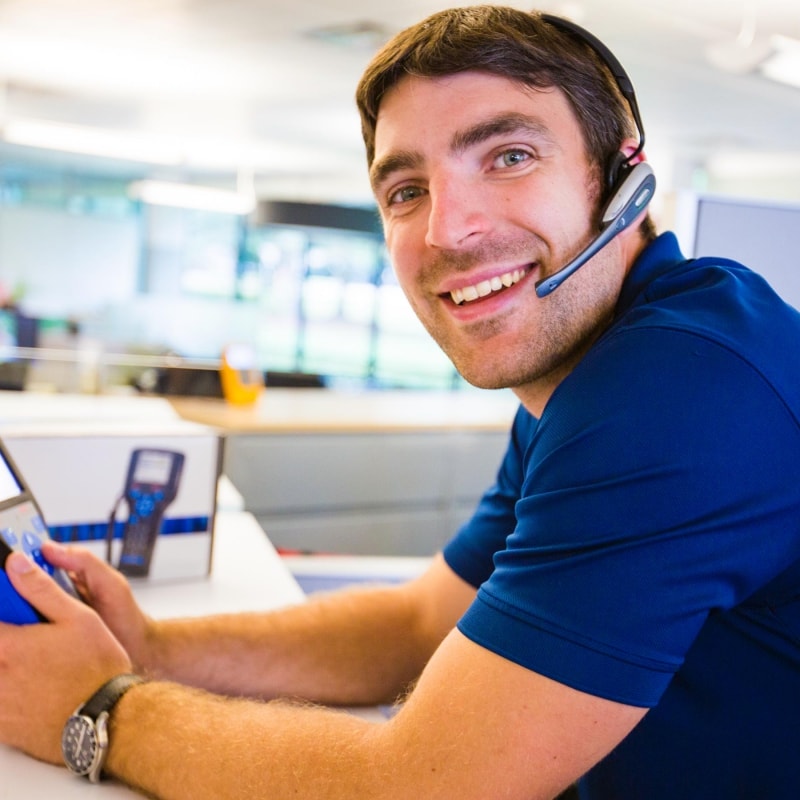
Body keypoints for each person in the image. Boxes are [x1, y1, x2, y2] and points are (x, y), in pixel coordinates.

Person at [1, 5, 799, 798]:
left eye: (510, 155)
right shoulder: (582, 376)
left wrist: (98, 708)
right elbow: (422, 623)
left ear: (623, 175)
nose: (448, 230)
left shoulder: (681, 387)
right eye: (408, 190)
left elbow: (424, 787)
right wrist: (147, 648)